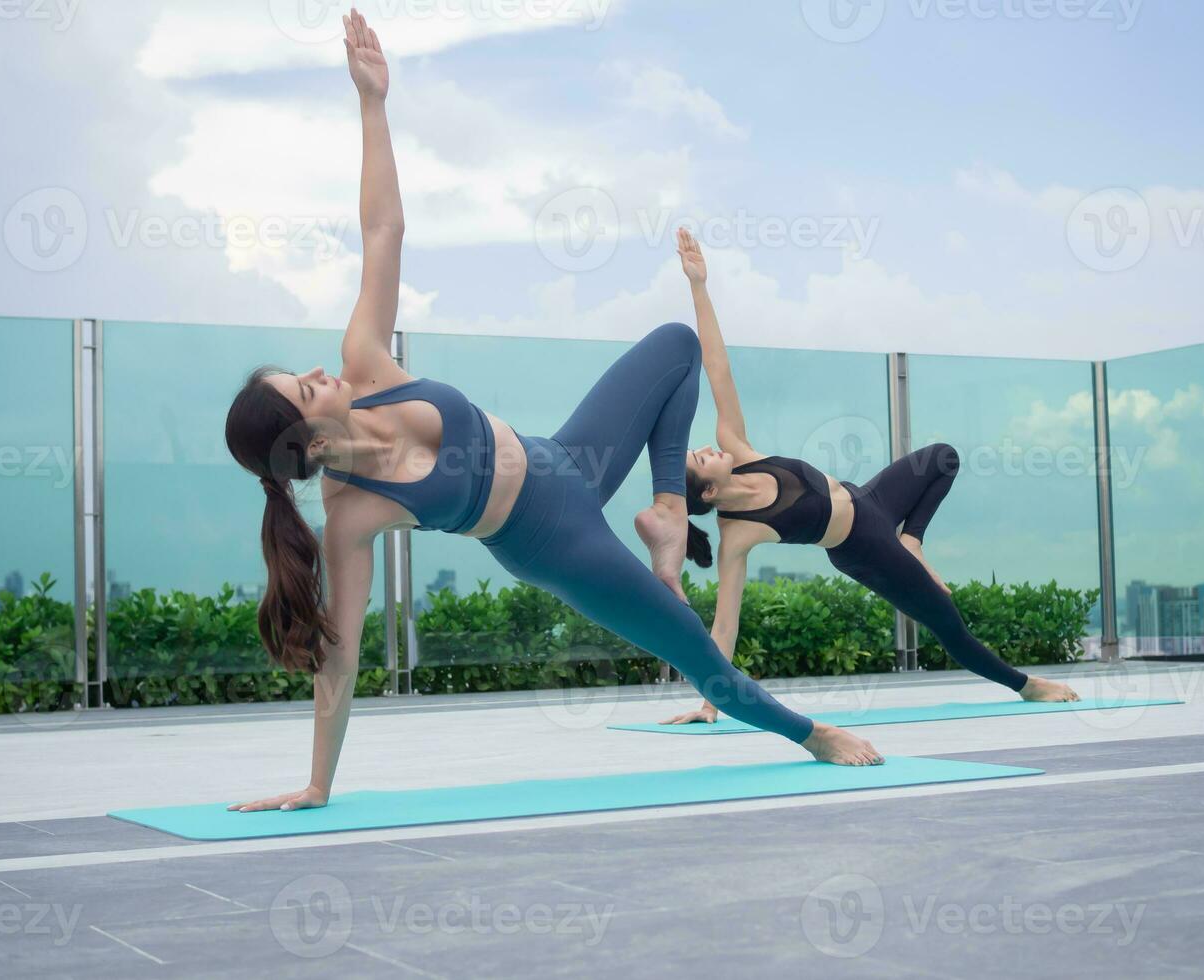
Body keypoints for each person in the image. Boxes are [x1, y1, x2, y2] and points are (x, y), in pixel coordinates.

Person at [221, 13, 885, 813]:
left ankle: (669, 512)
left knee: (676, 342)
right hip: (551, 541)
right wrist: (319, 782)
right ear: (307, 440)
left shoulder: (367, 363)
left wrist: (372, 103)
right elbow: (343, 654)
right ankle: (812, 734)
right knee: (690, 648)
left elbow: (383, 228)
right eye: (305, 388)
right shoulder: (350, 515)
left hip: (570, 458)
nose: (322, 372)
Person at [661, 228, 1080, 727]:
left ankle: (916, 541)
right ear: (708, 491)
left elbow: (717, 365)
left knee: (942, 456)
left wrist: (699, 285)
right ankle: (1028, 686)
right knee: (948, 624)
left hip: (873, 500)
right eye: (700, 458)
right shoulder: (737, 534)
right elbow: (724, 625)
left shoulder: (738, 445)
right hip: (864, 549)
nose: (708, 447)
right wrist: (711, 704)